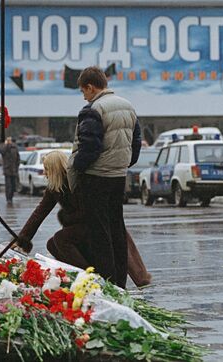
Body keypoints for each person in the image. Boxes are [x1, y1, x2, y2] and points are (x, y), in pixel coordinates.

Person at [14, 151, 151, 287]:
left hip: (95, 222)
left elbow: (92, 208)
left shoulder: (78, 179)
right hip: (82, 225)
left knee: (61, 239)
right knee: (52, 244)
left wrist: (70, 219)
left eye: (47, 169)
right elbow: (39, 213)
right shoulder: (54, 187)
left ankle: (90, 276)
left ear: (55, 169)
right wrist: (22, 239)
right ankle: (86, 271)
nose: (45, 173)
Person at [67, 66, 142, 288]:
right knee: (117, 228)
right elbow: (136, 142)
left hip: (96, 177)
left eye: (83, 91)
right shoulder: (128, 106)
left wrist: (77, 169)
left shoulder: (93, 110)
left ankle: (107, 283)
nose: (84, 96)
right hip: (118, 176)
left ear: (90, 87)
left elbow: (89, 148)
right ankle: (120, 281)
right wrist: (124, 163)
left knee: (99, 234)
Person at [0, 136, 20, 204]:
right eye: (8, 140)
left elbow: (18, 158)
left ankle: (11, 197)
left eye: (10, 140)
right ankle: (8, 199)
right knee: (8, 185)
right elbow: (1, 151)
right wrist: (6, 144)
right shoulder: (4, 147)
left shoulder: (15, 147)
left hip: (14, 169)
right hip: (7, 169)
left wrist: (17, 166)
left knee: (13, 185)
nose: (9, 141)